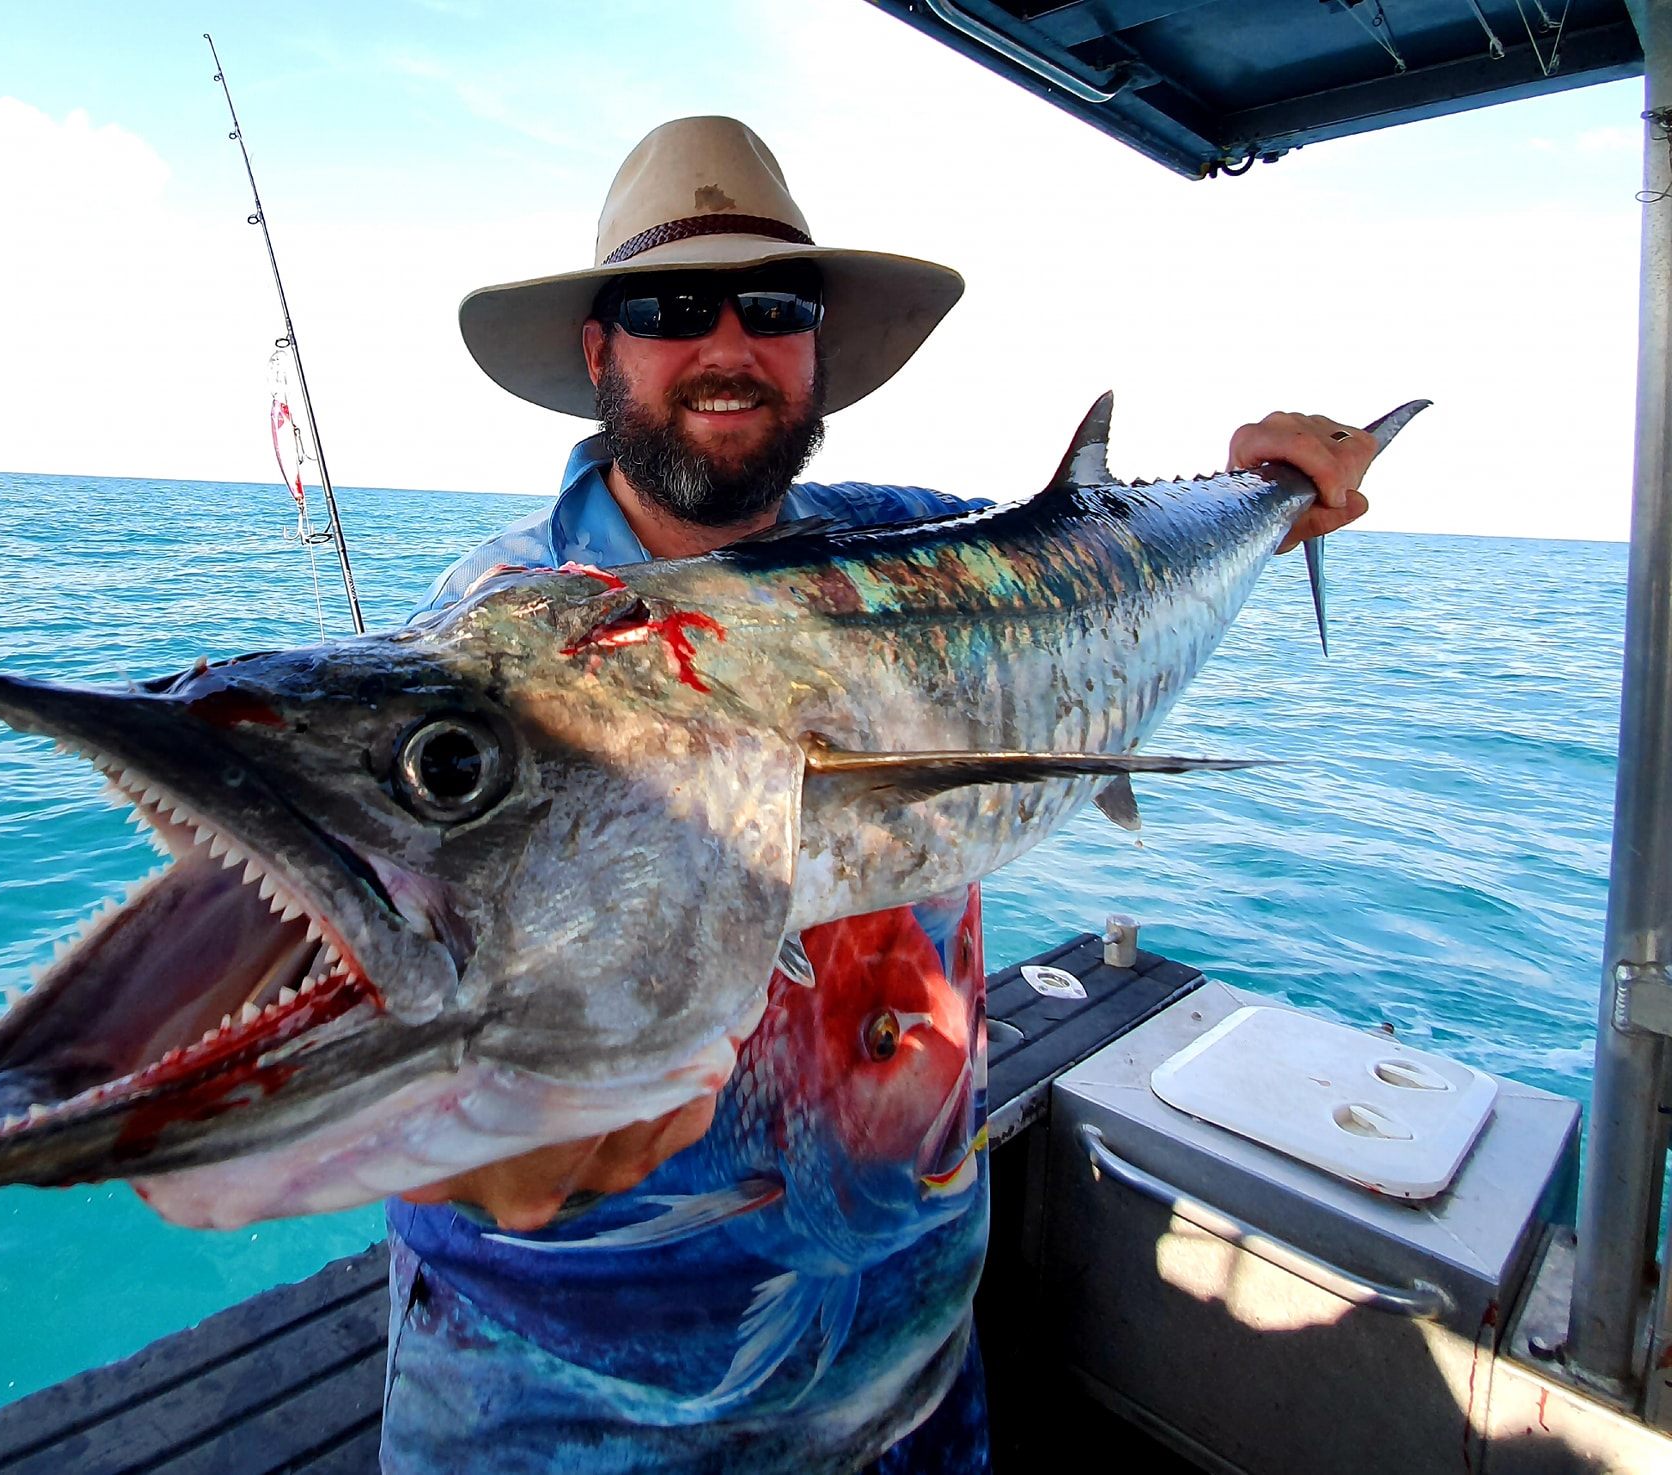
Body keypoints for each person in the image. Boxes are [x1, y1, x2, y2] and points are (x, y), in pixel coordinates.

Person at [380, 116, 1379, 1475]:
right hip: (564, 1397)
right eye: (671, 308)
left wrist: (1275, 479)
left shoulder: (915, 540)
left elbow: (1091, 539)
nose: (728, 347)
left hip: (911, 1353)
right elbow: (378, 964)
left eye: (774, 307)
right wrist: (416, 1135)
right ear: (599, 352)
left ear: (817, 349)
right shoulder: (491, 646)